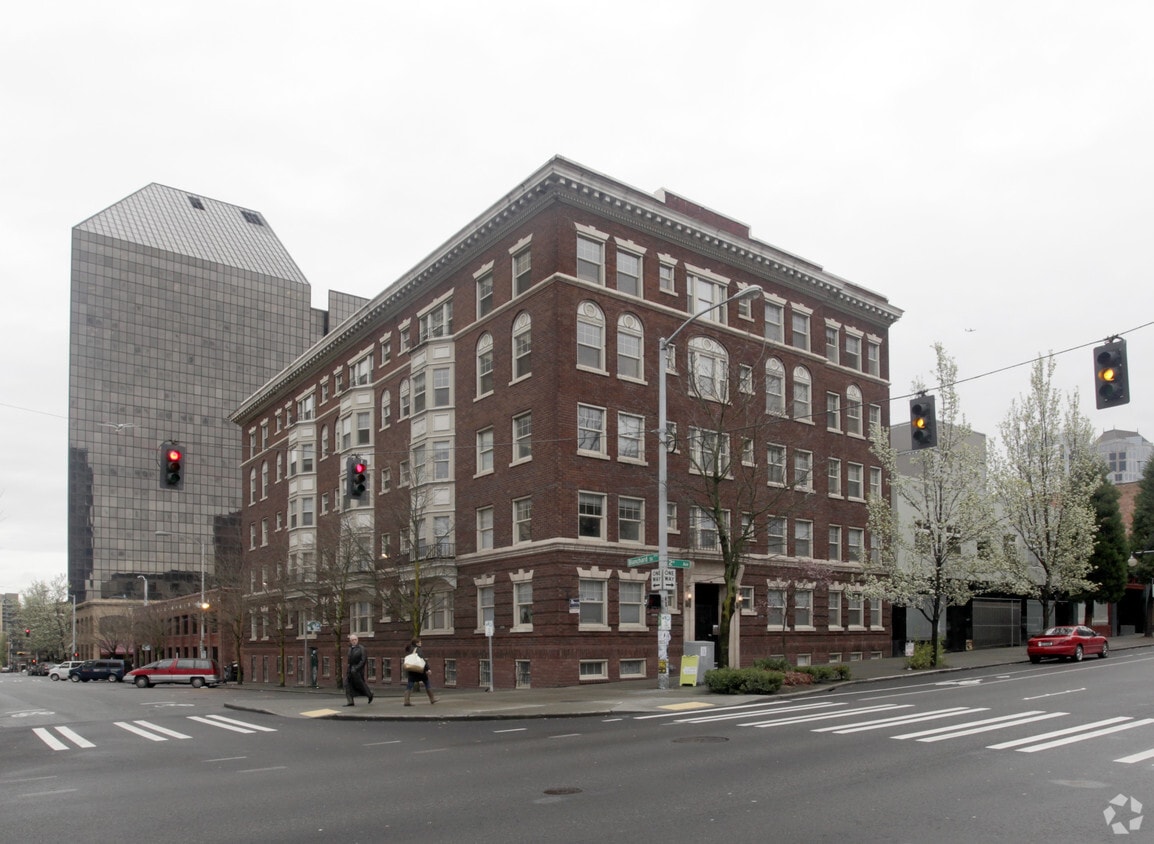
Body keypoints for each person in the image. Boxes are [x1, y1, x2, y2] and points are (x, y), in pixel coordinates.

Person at [403, 637, 436, 706]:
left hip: (411, 669)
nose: (421, 643)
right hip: (419, 669)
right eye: (420, 642)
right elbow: (422, 660)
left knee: (410, 684)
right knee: (427, 682)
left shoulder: (409, 649)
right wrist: (428, 669)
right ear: (417, 643)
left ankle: (406, 701)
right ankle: (432, 699)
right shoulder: (418, 649)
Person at [344, 634, 373, 706]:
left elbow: (363, 660)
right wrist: (349, 668)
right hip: (350, 670)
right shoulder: (350, 648)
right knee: (347, 684)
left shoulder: (361, 648)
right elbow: (349, 660)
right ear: (350, 641)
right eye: (352, 640)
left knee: (360, 684)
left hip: (358, 671)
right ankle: (350, 701)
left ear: (357, 640)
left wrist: (356, 668)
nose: (354, 641)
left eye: (355, 639)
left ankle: (369, 694)